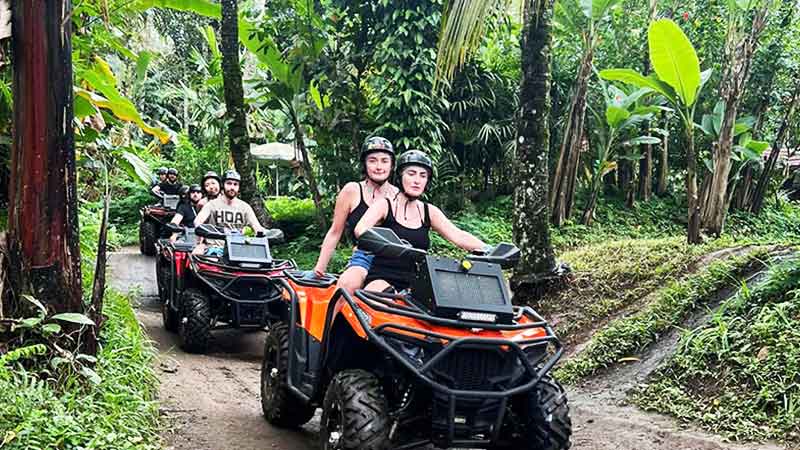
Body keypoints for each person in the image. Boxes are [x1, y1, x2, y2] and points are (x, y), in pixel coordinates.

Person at [355, 150, 488, 292]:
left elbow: (458, 235)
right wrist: (390, 243)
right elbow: (360, 229)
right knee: (379, 297)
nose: (417, 180)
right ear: (400, 177)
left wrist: (488, 249)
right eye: (411, 174)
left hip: (416, 283)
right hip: (382, 278)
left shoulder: (429, 211)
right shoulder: (384, 205)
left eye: (423, 175)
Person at [313, 137, 398, 293]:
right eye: (373, 161)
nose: (379, 167)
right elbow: (335, 231)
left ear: (392, 165)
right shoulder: (352, 190)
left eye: (384, 161)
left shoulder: (398, 196)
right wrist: (320, 268)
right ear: (364, 164)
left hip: (392, 261)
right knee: (345, 286)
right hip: (363, 257)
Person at [193, 169, 266, 255]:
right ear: (223, 185)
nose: (232, 187)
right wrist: (201, 230)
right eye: (229, 183)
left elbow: (257, 227)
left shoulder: (245, 207)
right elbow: (198, 221)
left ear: (239, 187)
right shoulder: (212, 205)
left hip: (238, 249)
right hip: (215, 248)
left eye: (235, 184)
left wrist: (265, 233)